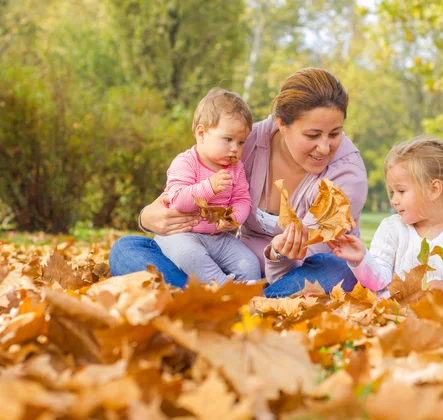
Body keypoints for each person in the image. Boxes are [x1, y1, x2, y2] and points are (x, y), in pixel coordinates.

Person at [109, 68, 368, 297]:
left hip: (293, 276)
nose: (324, 147)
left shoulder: (347, 175)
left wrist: (276, 255)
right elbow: (183, 186)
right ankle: (223, 301)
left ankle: (211, 302)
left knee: (335, 270)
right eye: (312, 135)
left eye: (335, 133)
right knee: (127, 249)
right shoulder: (244, 142)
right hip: (225, 269)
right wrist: (147, 217)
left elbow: (311, 253)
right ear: (282, 124)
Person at [327, 136, 443, 304]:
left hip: (439, 322)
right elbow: (378, 282)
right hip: (393, 317)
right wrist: (361, 259)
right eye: (392, 192)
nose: (393, 200)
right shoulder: (391, 228)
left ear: (434, 189)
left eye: (401, 191)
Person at [153, 88, 261, 285]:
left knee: (250, 264)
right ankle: (222, 289)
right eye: (228, 139)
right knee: (190, 255)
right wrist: (209, 187)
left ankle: (248, 293)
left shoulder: (236, 169)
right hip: (181, 235)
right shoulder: (186, 162)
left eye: (240, 142)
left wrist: (234, 218)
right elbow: (178, 201)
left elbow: (242, 199)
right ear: (201, 133)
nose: (234, 148)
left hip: (218, 237)